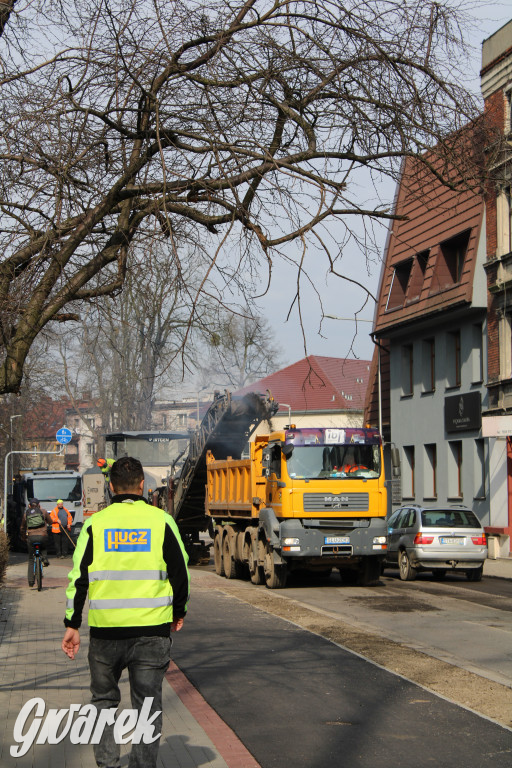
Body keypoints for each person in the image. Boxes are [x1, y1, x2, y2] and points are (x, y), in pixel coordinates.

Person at [62, 456, 190, 768]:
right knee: (147, 707)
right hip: (152, 634)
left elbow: (78, 578)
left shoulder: (95, 524)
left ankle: (108, 765)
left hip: (106, 635)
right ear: (143, 486)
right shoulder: (162, 522)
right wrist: (178, 611)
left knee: (103, 704)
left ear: (110, 486)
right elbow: (180, 573)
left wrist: (72, 624)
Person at [20, 498, 52, 585]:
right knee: (44, 546)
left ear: (29, 505)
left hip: (31, 537)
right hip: (42, 536)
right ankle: (44, 558)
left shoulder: (26, 514)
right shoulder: (43, 511)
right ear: (39, 504)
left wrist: (24, 537)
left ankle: (30, 581)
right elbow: (50, 521)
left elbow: (22, 528)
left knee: (31, 559)